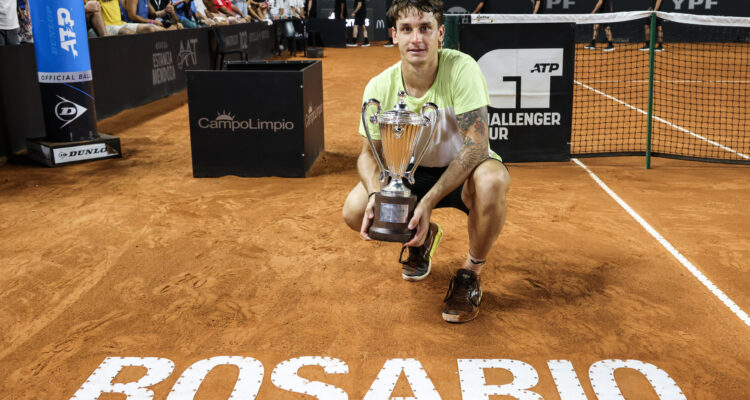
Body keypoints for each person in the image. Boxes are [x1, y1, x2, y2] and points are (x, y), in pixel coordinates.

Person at [342, 0, 510, 323]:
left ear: (440, 34)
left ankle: (470, 273)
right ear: (393, 35)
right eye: (406, 29)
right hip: (410, 177)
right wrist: (378, 193)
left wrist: (430, 200)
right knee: (353, 209)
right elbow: (367, 153)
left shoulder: (462, 69)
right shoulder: (379, 86)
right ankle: (424, 235)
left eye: (425, 29)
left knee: (492, 181)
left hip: (464, 174)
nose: (416, 39)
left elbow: (476, 147)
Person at [97, 0, 162, 34]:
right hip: (107, 25)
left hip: (121, 23)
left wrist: (166, 11)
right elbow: (132, 16)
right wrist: (152, 21)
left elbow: (153, 13)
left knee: (155, 28)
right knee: (128, 32)